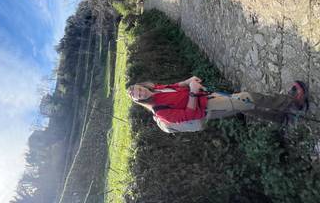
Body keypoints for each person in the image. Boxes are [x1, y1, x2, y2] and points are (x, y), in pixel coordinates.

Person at [127, 76, 308, 133]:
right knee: (249, 98)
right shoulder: (160, 112)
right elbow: (191, 114)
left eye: (138, 89)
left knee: (246, 107)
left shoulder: (158, 89)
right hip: (208, 107)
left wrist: (189, 81)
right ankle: (295, 105)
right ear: (140, 101)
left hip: (207, 97)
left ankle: (282, 119)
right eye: (137, 96)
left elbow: (176, 87)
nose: (140, 92)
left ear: (141, 86)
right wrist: (193, 91)